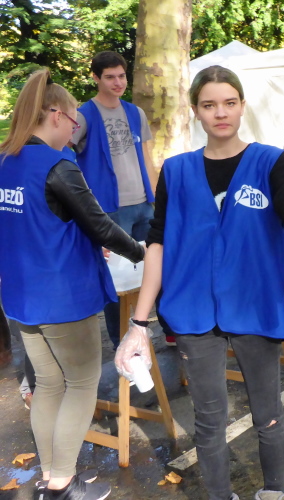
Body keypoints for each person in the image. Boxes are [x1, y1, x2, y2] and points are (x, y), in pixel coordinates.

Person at [115, 65, 284, 500]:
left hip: (254, 305)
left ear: (241, 106)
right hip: (193, 311)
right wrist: (138, 323)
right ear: (196, 111)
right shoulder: (176, 171)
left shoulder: (267, 160)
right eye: (209, 105)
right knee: (209, 420)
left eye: (229, 103)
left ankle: (274, 491)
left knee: (268, 414)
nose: (220, 113)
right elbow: (158, 243)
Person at [0, 68, 145, 499]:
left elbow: (41, 221)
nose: (75, 130)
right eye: (74, 120)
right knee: (81, 383)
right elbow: (99, 224)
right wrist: (142, 253)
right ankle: (63, 484)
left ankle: (52, 476)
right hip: (63, 296)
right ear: (56, 115)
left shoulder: (5, 161)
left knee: (48, 385)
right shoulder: (57, 164)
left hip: (20, 296)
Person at [70, 51, 161, 349]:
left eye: (121, 76)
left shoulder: (136, 113)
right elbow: (63, 154)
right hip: (109, 210)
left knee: (158, 267)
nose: (118, 82)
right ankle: (120, 339)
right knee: (117, 282)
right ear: (95, 78)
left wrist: (157, 199)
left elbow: (146, 158)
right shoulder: (83, 115)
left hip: (144, 205)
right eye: (110, 77)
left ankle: (169, 329)